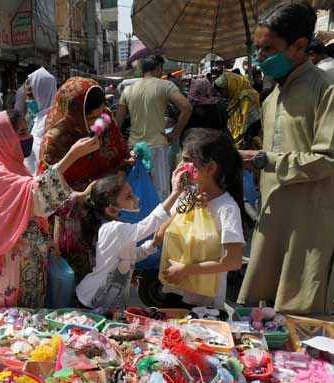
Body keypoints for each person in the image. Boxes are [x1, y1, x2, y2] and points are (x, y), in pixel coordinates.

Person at [238, 2, 334, 314]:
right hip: (271, 217)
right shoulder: (271, 98)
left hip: (310, 221)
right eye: (257, 48)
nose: (259, 57)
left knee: (302, 316)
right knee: (265, 315)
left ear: (299, 46)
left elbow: (327, 160)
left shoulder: (326, 89)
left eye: (268, 49)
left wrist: (266, 160)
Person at [0, 111, 99, 307]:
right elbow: (37, 196)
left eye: (27, 130)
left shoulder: (17, 168)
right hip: (13, 262)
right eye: (21, 133)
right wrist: (71, 156)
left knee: (31, 324)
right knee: (9, 320)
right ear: (4, 137)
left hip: (34, 258)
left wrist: (46, 239)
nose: (27, 137)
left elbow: (34, 207)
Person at [37, 77, 130, 281]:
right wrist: (74, 158)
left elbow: (117, 154)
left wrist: (127, 161)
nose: (95, 122)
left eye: (99, 114)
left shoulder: (104, 121)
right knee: (77, 277)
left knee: (108, 273)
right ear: (73, 114)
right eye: (90, 118)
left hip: (105, 212)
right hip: (71, 223)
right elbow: (44, 190)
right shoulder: (57, 139)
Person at [76, 168, 185, 310]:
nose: (137, 199)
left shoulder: (119, 229)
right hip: (90, 302)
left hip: (106, 304)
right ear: (111, 210)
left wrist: (153, 244)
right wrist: (176, 193)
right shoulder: (114, 229)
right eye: (129, 197)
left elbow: (128, 259)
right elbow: (149, 224)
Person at [162, 129, 245, 309]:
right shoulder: (188, 194)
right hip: (175, 291)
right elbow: (160, 232)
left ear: (210, 167)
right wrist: (177, 193)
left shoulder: (227, 209)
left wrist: (186, 270)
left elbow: (233, 261)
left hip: (205, 302)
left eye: (186, 160)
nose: (180, 166)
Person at [115, 55, 193, 200]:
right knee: (160, 193)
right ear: (158, 68)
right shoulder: (165, 85)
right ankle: (160, 223)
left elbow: (117, 123)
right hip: (157, 146)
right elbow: (187, 107)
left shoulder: (128, 90)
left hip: (134, 148)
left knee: (137, 192)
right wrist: (175, 133)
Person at [213, 71, 261, 149]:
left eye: (222, 91)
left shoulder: (247, 97)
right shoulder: (234, 99)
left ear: (231, 86)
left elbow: (252, 121)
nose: (222, 95)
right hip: (236, 141)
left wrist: (247, 141)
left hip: (248, 142)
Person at [23, 67, 57, 175]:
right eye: (27, 96)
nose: (28, 101)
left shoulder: (54, 120)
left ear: (42, 94)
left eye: (31, 96)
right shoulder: (37, 118)